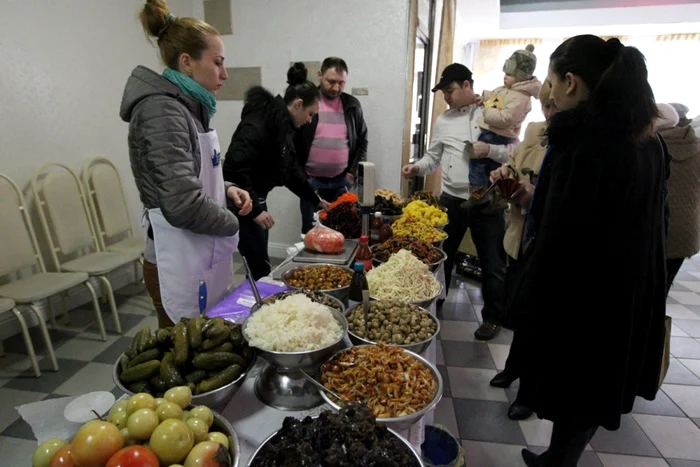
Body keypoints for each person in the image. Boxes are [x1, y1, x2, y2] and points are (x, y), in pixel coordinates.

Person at [507, 36, 668, 467]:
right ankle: (560, 458)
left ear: (572, 83)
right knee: (595, 388)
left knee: (573, 387)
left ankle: (559, 461)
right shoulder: (647, 140)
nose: (552, 95)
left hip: (582, 295)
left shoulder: (583, 145)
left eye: (555, 85)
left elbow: (561, 233)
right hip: (627, 290)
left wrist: (528, 295)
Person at [120, 0, 252, 328]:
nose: (224, 73)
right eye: (218, 62)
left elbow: (191, 175)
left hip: (198, 253)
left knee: (208, 343)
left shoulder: (189, 106)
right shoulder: (160, 111)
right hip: (177, 259)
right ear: (187, 62)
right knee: (183, 354)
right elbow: (181, 202)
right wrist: (234, 225)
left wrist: (226, 189)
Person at [401, 63, 513, 341]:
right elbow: (433, 157)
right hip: (451, 199)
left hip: (487, 200)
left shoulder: (493, 112)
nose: (446, 97)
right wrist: (417, 168)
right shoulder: (443, 120)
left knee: (493, 263)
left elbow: (514, 152)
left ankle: (493, 318)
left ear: (467, 85)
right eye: (443, 92)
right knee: (440, 258)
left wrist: (489, 149)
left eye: (450, 90)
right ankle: (435, 305)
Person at [488, 80, 556, 422]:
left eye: (555, 107)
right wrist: (506, 174)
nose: (550, 114)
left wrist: (536, 195)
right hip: (521, 237)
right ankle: (514, 368)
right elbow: (514, 164)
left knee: (539, 321)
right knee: (518, 311)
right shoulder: (536, 131)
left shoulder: (578, 144)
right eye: (547, 106)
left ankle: (530, 392)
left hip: (549, 246)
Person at [223, 63, 328, 280]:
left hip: (256, 201)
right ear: (298, 105)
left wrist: (315, 199)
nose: (310, 121)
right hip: (243, 206)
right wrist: (255, 210)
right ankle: (258, 309)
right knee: (259, 269)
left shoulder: (283, 125)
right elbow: (234, 168)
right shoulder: (260, 123)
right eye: (310, 114)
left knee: (260, 265)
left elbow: (289, 171)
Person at [463, 45, 542, 212]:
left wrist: (487, 110)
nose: (504, 77)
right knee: (490, 170)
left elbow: (505, 118)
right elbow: (496, 99)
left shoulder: (521, 97)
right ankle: (490, 198)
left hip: (497, 135)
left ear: (521, 77)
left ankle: (479, 196)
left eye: (509, 74)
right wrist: (485, 98)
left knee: (478, 164)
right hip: (495, 133)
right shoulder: (509, 91)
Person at [296, 57, 368, 235]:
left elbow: (362, 141)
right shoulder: (306, 102)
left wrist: (352, 173)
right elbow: (293, 140)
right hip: (311, 182)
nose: (336, 88)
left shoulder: (352, 105)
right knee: (312, 232)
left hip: (342, 182)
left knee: (343, 231)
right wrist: (299, 176)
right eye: (331, 81)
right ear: (320, 75)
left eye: (341, 83)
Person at [658, 103, 700, 294]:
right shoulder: (696, 147)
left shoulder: (651, 147)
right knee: (663, 287)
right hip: (686, 231)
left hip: (657, 229)